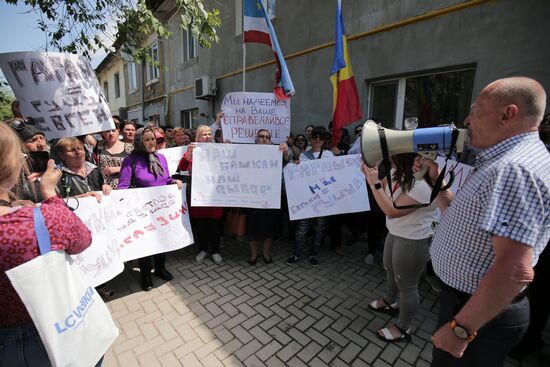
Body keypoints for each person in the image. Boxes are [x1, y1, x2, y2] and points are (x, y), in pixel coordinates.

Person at [421, 77, 550, 366]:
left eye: (476, 110)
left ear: (508, 114)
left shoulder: (513, 169)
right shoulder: (506, 161)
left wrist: (461, 329)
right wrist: (437, 184)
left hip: (478, 314)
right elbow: (465, 217)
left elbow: (514, 269)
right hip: (474, 305)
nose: (467, 119)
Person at [0, 122, 95, 367]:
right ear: (10, 165)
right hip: (45, 334)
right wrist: (50, 194)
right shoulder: (42, 218)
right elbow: (83, 239)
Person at [361, 153, 437, 342]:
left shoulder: (422, 186)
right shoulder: (397, 173)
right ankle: (390, 301)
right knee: (390, 269)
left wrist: (374, 183)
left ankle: (404, 327)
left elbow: (392, 211)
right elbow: (384, 191)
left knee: (407, 285)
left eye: (392, 157)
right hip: (395, 232)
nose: (420, 163)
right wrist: (374, 172)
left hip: (412, 239)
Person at [117, 127, 183, 291]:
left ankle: (160, 268)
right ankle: (145, 274)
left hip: (161, 209)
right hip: (142, 211)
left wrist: (174, 182)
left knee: (162, 239)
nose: (151, 142)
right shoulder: (130, 160)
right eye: (147, 139)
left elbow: (166, 179)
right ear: (139, 142)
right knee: (145, 243)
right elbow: (123, 186)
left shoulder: (161, 158)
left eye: (153, 139)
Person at [287, 126, 334, 266]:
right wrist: (295, 166)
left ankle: (314, 254)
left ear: (324, 139)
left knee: (319, 228)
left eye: (320, 137)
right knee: (302, 229)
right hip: (307, 198)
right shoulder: (303, 156)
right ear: (311, 138)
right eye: (315, 137)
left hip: (323, 198)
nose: (317, 140)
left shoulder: (329, 155)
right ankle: (296, 254)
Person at [177, 125, 224, 264]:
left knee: (215, 225)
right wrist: (190, 152)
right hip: (199, 195)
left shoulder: (219, 149)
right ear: (197, 137)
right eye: (204, 134)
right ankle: (203, 249)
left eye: (209, 134)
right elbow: (183, 167)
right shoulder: (192, 149)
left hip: (215, 195)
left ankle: (215, 251)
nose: (208, 136)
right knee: (201, 224)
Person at [246, 129, 289, 265]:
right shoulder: (249, 151)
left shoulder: (276, 151)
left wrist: (286, 150)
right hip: (252, 195)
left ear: (270, 139)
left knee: (269, 227)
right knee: (252, 226)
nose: (264, 138)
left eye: (267, 137)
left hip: (271, 196)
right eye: (261, 136)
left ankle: (265, 252)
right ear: (257, 138)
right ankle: (253, 253)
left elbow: (287, 161)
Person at [96, 123, 133, 189]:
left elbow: (136, 168)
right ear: (102, 133)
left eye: (113, 130)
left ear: (118, 131)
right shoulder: (99, 145)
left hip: (123, 187)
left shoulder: (129, 147)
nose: (111, 133)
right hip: (103, 187)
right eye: (107, 131)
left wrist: (118, 169)